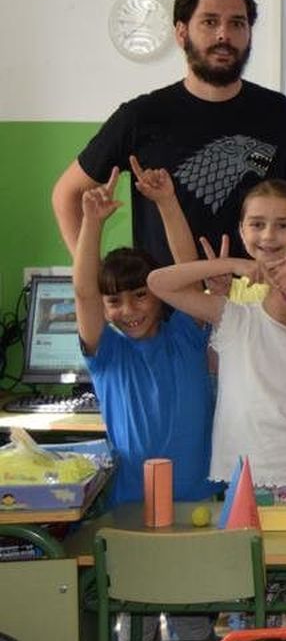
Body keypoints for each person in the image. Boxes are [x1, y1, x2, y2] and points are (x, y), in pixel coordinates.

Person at [52, 0, 286, 266]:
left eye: (237, 23)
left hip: (257, 301)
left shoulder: (277, 112)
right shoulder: (141, 116)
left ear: (249, 34)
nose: (223, 34)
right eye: (209, 22)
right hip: (164, 305)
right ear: (182, 33)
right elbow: (67, 194)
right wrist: (94, 278)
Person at [147, 237, 286, 502]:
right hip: (245, 474)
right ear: (281, 262)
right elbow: (157, 283)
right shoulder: (235, 317)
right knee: (248, 544)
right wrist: (232, 264)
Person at [72, 165, 213, 507]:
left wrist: (166, 202)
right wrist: (91, 222)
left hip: (199, 501)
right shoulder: (107, 354)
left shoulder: (185, 337)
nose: (129, 310)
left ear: (160, 294)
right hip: (131, 504)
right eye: (114, 301)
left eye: (140, 295)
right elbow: (85, 293)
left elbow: (187, 273)